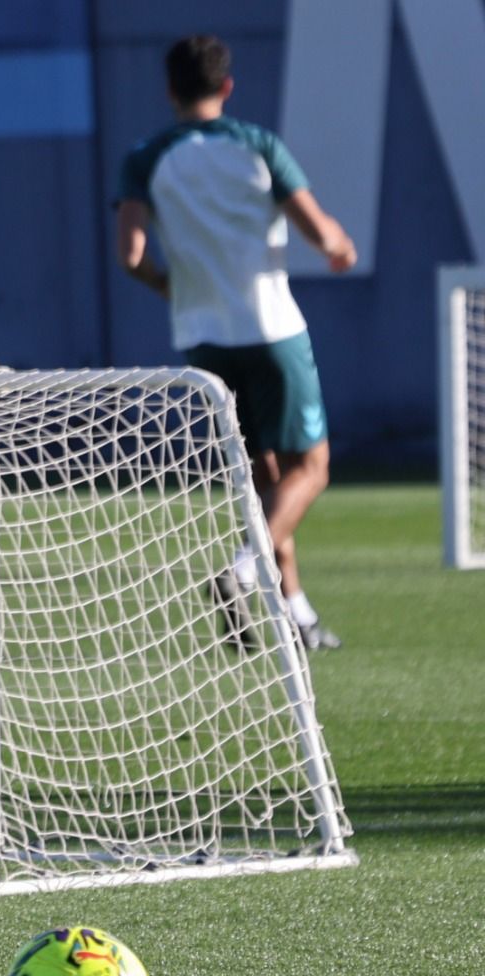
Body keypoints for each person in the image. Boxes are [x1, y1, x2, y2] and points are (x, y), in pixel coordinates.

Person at [116, 34, 357, 651]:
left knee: (264, 481)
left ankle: (297, 614)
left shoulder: (146, 158)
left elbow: (132, 255)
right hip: (271, 330)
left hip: (205, 343)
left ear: (170, 90)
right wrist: (339, 246)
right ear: (226, 86)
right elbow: (320, 233)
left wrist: (172, 287)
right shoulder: (257, 145)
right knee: (310, 469)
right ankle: (243, 569)